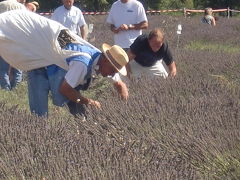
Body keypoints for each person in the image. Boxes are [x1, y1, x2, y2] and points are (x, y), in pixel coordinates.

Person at [0, 10, 129, 117]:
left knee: (54, 106)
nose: (110, 75)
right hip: (40, 64)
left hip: (46, 57)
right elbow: (65, 89)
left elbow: (119, 83)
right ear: (106, 60)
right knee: (40, 115)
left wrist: (123, 105)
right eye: (112, 71)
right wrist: (89, 102)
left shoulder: (97, 54)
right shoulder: (82, 63)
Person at [0, 0, 26, 90]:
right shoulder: (21, 7)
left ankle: (5, 89)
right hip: (18, 41)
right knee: (18, 68)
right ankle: (16, 89)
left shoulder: (1, 5)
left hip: (3, 40)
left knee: (3, 69)